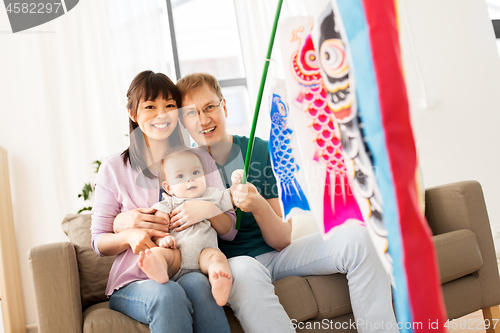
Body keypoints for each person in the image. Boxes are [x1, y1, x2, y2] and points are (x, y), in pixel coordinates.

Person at [114, 72, 399, 333]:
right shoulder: (183, 167)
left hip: (277, 255)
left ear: (224, 107)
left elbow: (281, 240)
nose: (203, 120)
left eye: (210, 107)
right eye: (191, 113)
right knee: (245, 273)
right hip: (231, 261)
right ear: (183, 120)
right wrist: (123, 222)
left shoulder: (258, 149)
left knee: (359, 238)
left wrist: (258, 204)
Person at [90, 70, 234, 333]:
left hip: (190, 268)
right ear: (133, 114)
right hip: (134, 280)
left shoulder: (200, 160)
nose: (161, 113)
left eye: (169, 105)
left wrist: (208, 209)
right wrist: (129, 235)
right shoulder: (113, 169)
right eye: (150, 106)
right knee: (167, 294)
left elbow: (230, 230)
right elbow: (98, 241)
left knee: (201, 287)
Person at [138, 148, 242, 307]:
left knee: (217, 257)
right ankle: (158, 269)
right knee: (158, 252)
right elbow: (158, 228)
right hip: (176, 256)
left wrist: (238, 183)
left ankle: (219, 278)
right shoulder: (168, 203)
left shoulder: (212, 195)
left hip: (204, 255)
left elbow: (233, 197)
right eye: (180, 176)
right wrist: (163, 240)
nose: (190, 180)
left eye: (196, 173)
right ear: (168, 187)